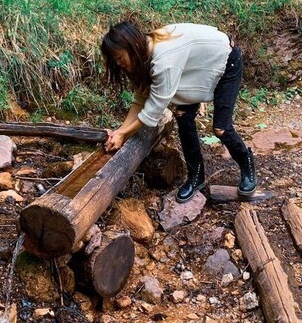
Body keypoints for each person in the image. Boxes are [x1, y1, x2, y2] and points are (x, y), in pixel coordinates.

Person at [100, 19, 257, 203]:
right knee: (183, 116)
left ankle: (247, 166)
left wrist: (123, 135)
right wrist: (120, 132)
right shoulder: (144, 52)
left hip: (225, 60)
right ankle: (196, 176)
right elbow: (140, 100)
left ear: (131, 46)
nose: (118, 64)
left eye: (119, 58)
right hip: (194, 66)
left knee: (220, 129)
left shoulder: (163, 60)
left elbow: (153, 109)